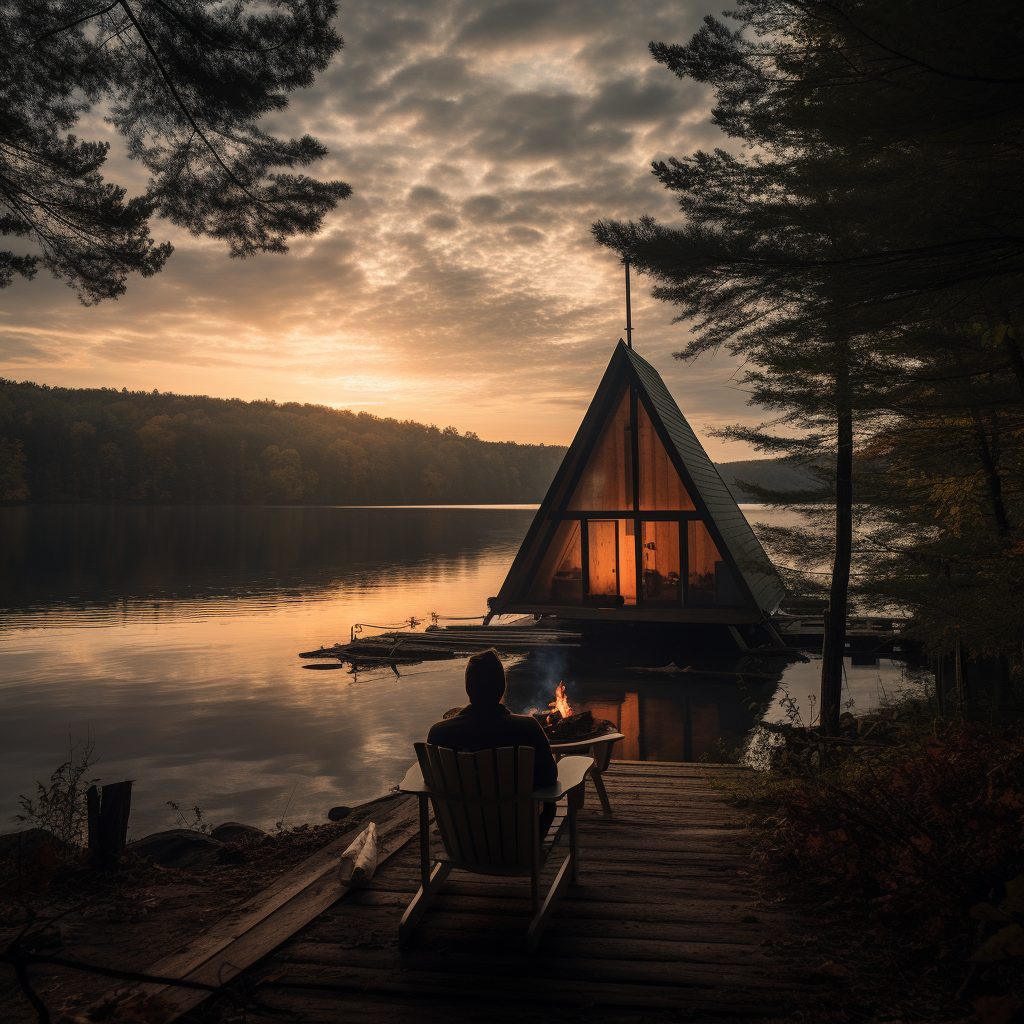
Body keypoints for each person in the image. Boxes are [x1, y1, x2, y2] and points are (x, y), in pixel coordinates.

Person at [426, 648, 558, 835]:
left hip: (463, 840)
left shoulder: (439, 733)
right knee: (549, 801)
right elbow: (549, 778)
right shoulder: (528, 728)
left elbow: (432, 782)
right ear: (502, 687)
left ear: (468, 687)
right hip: (519, 839)